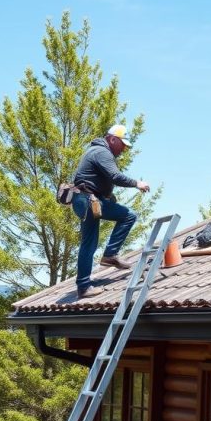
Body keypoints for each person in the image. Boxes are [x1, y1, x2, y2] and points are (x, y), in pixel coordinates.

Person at [70, 124, 151, 298]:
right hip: (87, 200)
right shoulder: (102, 152)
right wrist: (137, 183)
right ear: (112, 139)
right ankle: (110, 255)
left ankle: (83, 286)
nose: (123, 149)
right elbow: (115, 176)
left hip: (85, 200)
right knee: (128, 216)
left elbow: (93, 179)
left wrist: (107, 195)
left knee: (88, 244)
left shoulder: (95, 152)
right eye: (122, 144)